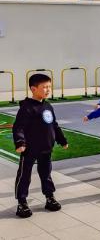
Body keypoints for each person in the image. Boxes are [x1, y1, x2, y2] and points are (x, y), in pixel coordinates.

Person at [13, 74, 68, 218]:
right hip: (29, 149)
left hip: (46, 148)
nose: (48, 89)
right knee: (24, 176)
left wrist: (62, 140)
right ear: (33, 89)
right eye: (44, 87)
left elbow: (54, 125)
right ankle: (22, 202)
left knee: (46, 174)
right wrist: (20, 142)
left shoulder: (48, 106)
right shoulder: (26, 108)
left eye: (49, 86)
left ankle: (49, 197)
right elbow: (19, 127)